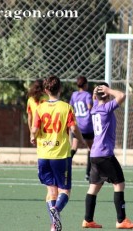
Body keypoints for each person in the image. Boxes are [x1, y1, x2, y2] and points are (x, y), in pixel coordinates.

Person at [30, 76, 86, 231]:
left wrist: (32, 137)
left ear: (46, 90)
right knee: (65, 190)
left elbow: (34, 129)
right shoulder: (66, 107)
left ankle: (54, 226)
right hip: (60, 155)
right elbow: (74, 129)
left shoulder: (40, 108)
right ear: (60, 89)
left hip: (43, 155)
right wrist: (80, 140)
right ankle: (56, 209)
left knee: (51, 191)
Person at [82, 83, 133, 229]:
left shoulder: (94, 109)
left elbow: (95, 99)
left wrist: (98, 94)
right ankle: (121, 220)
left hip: (94, 154)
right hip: (105, 154)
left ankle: (88, 220)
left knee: (94, 187)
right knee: (119, 184)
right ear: (106, 94)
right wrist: (108, 90)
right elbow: (122, 96)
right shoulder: (106, 109)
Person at [69, 76, 94, 180]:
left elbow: (70, 107)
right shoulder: (87, 95)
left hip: (78, 126)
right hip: (87, 125)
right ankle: (88, 174)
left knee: (74, 148)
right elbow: (89, 107)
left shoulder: (74, 95)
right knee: (91, 149)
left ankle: (65, 167)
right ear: (85, 85)